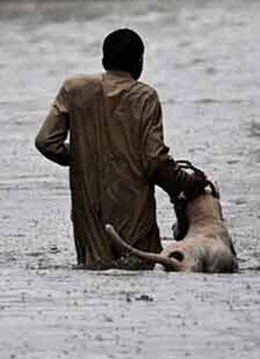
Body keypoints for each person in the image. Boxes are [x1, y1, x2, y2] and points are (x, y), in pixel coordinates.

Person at [35, 28, 206, 269]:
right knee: (142, 272)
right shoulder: (145, 97)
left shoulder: (74, 89)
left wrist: (86, 154)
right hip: (134, 218)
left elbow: (45, 141)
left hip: (89, 218)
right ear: (139, 63)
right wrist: (188, 184)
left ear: (104, 60)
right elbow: (155, 162)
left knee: (94, 275)